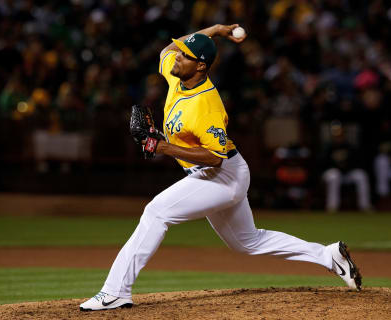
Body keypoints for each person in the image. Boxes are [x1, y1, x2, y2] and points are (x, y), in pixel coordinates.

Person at [79, 24, 362, 312]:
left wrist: (162, 147)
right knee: (247, 242)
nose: (177, 57)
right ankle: (328, 256)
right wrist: (213, 30)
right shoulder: (178, 76)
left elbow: (215, 158)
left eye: (185, 55)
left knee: (156, 212)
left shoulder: (207, 105)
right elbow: (167, 50)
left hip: (222, 175)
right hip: (218, 173)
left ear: (201, 66)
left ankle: (115, 291)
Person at [320, 129, 372, 212]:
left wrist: (347, 168)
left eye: (340, 136)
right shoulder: (328, 148)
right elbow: (323, 163)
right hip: (333, 173)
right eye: (337, 136)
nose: (339, 138)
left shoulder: (350, 147)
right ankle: (332, 206)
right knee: (334, 176)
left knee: (361, 175)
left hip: (347, 173)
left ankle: (365, 205)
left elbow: (357, 162)